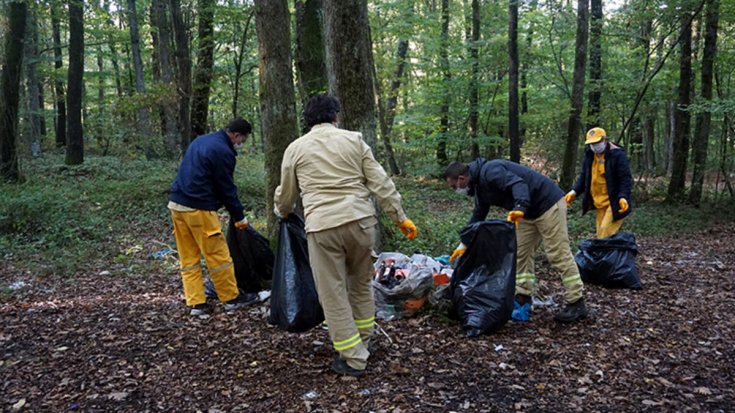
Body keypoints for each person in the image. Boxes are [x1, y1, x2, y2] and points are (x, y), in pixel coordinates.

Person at [274, 95, 417, 377]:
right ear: (335, 117)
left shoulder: (296, 148)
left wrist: (283, 211)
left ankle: (353, 358)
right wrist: (400, 216)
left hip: (323, 227)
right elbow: (381, 182)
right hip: (361, 223)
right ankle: (364, 342)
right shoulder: (354, 140)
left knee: (333, 293)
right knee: (361, 285)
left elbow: (286, 193)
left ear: (308, 120)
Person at [444, 159, 588, 323]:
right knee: (520, 254)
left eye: (453, 186)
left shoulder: (491, 171)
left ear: (462, 179)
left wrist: (519, 207)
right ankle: (522, 296)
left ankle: (576, 302)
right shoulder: (480, 187)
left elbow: (518, 185)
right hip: (527, 212)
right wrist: (463, 244)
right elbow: (479, 214)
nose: (455, 189)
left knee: (558, 254)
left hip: (548, 204)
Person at [169, 118, 259, 317]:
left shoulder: (202, 140)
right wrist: (239, 216)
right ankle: (231, 298)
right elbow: (226, 188)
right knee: (218, 255)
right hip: (198, 208)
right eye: (242, 139)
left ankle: (196, 303)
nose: (240, 143)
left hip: (176, 205)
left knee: (189, 257)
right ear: (236, 135)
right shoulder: (223, 152)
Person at [565, 127, 633, 239]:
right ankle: (607, 255)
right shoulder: (590, 155)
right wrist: (574, 191)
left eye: (597, 142)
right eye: (591, 143)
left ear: (604, 140)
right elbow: (584, 177)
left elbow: (625, 180)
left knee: (604, 232)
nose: (594, 146)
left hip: (614, 202)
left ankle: (606, 255)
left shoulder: (617, 155)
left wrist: (623, 197)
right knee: (601, 235)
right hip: (599, 202)